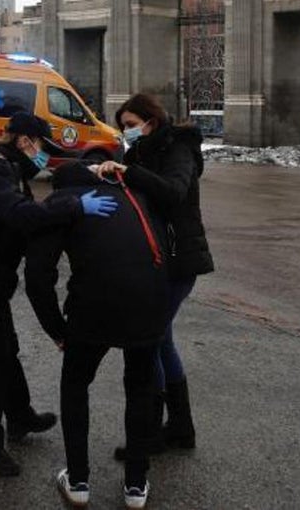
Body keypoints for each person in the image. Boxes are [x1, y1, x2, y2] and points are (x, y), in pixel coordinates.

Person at [0, 111, 117, 477]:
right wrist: (73, 206)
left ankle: (19, 417)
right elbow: (19, 216)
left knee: (7, 349)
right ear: (25, 142)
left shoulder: (9, 169)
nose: (43, 155)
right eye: (41, 146)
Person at [26, 161, 171, 509]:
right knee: (140, 387)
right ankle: (136, 485)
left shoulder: (62, 204)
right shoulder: (129, 195)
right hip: (150, 305)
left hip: (93, 308)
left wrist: (57, 330)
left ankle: (78, 482)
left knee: (75, 385)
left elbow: (37, 276)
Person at [94, 93, 214, 459]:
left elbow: (173, 193)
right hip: (154, 257)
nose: (126, 133)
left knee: (151, 340)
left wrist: (131, 172)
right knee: (162, 341)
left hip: (179, 259)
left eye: (131, 125)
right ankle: (179, 428)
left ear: (151, 120)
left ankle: (149, 434)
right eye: (123, 127)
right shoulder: (138, 151)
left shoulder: (179, 149)